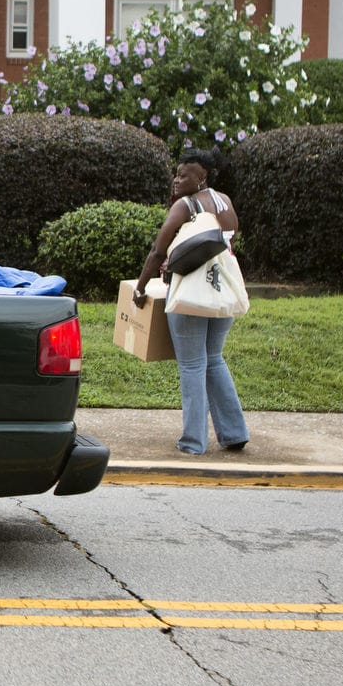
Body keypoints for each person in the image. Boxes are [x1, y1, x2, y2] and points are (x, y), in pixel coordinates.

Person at [132, 149, 249, 456]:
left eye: (184, 175)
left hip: (190, 296)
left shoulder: (185, 206)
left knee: (193, 365)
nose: (176, 180)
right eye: (177, 173)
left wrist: (140, 287)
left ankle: (193, 442)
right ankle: (235, 433)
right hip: (222, 293)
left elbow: (158, 251)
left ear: (201, 177)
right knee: (214, 359)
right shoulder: (225, 202)